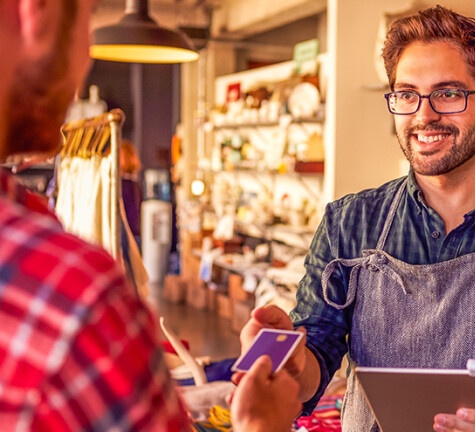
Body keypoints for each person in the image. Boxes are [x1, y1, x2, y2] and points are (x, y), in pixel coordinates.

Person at [239, 5, 475, 432]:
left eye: (448, 93)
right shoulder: (348, 224)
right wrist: (293, 360)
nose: (423, 116)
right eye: (406, 94)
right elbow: (320, 351)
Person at [0, 1, 300, 430]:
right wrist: (260, 423)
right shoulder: (68, 296)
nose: (85, 58)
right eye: (85, 22)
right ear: (36, 12)